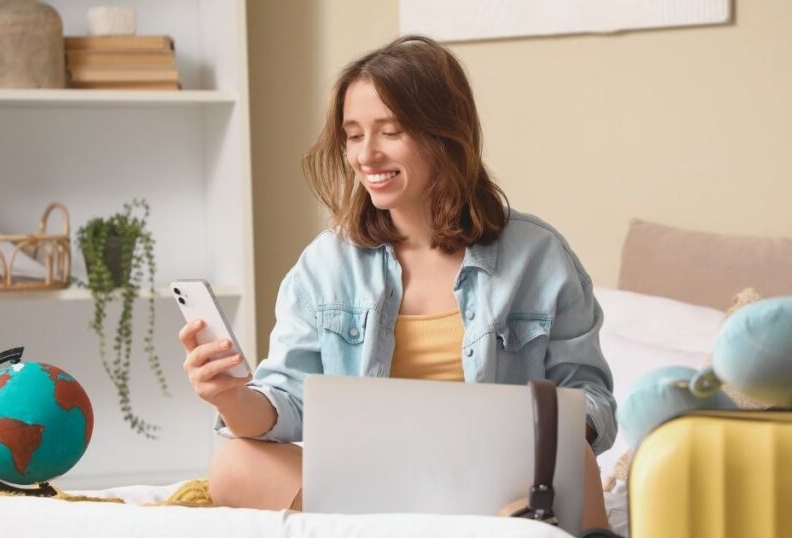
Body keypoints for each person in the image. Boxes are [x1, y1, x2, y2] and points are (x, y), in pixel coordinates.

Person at [178, 34, 616, 530]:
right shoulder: (326, 265)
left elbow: (592, 401)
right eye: (353, 134)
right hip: (369, 487)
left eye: (389, 131)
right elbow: (289, 401)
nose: (367, 155)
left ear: (444, 135)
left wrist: (525, 440)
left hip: (501, 486)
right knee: (234, 466)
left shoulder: (538, 256)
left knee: (574, 461)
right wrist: (231, 397)